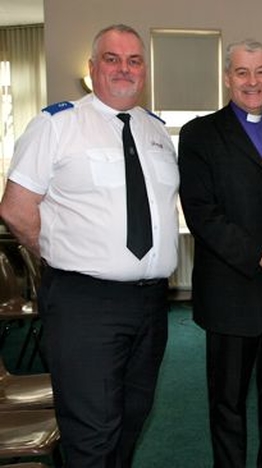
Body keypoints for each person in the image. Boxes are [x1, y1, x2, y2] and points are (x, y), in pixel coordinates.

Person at [0, 24, 179, 466]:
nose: (124, 69)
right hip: (85, 301)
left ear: (145, 70)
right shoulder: (57, 124)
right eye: (113, 59)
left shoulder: (155, 130)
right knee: (91, 431)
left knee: (130, 418)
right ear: (92, 68)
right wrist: (58, 252)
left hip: (151, 303)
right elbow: (16, 208)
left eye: (134, 60)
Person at [178, 39, 262, 467]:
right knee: (228, 404)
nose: (252, 82)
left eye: (260, 72)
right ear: (227, 77)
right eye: (242, 72)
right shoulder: (201, 134)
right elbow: (202, 213)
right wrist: (259, 255)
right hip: (232, 290)